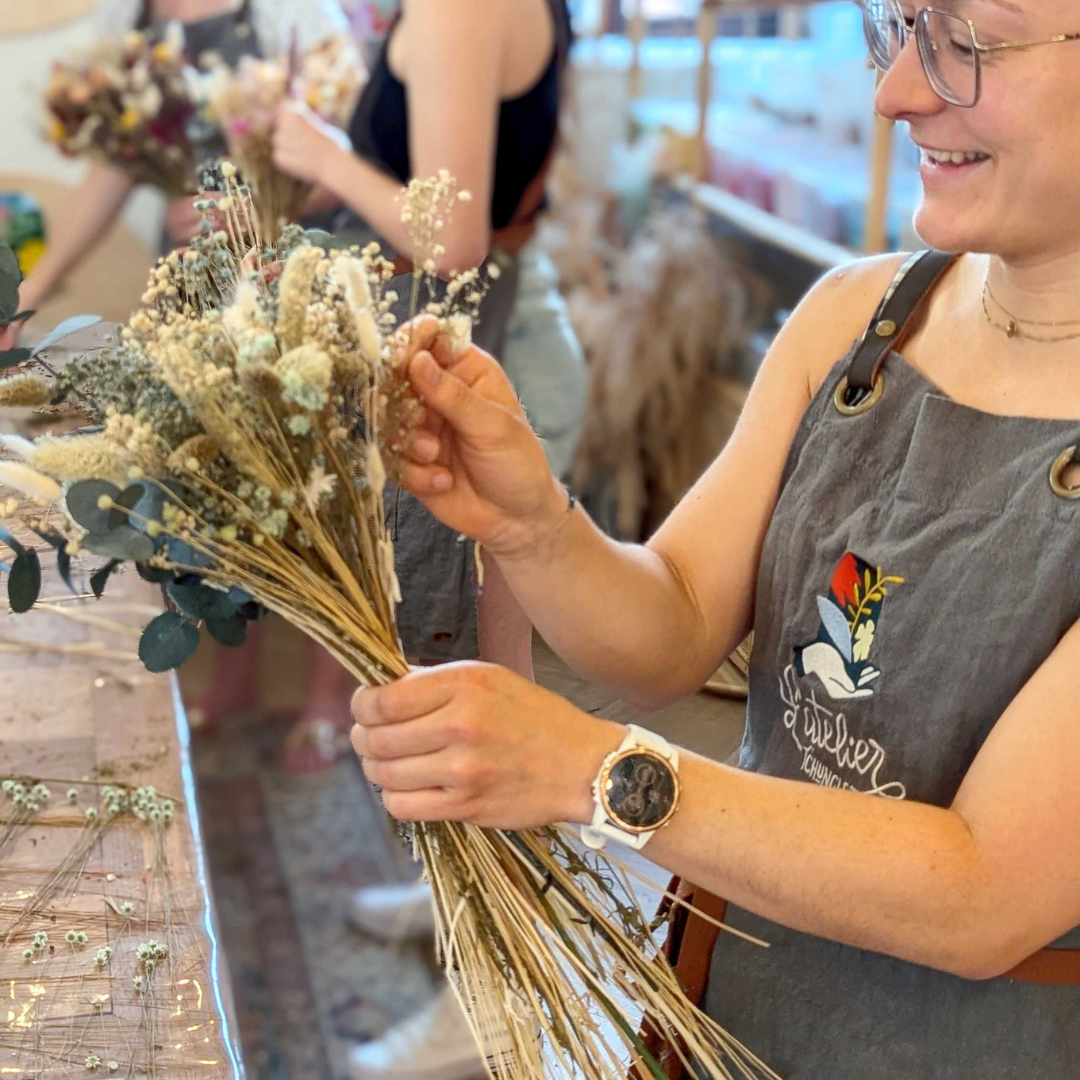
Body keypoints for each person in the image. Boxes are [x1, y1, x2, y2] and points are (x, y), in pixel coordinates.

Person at [348, 1, 1080, 1076]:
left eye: (969, 43)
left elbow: (982, 894)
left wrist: (588, 767)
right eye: (903, 31)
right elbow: (675, 623)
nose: (896, 94)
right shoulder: (859, 322)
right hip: (733, 1013)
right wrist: (532, 522)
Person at [269, 0, 586, 766]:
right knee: (482, 701)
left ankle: (484, 875)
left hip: (468, 377)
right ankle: (475, 877)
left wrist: (326, 156)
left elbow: (450, 239)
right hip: (480, 357)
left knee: (467, 703)